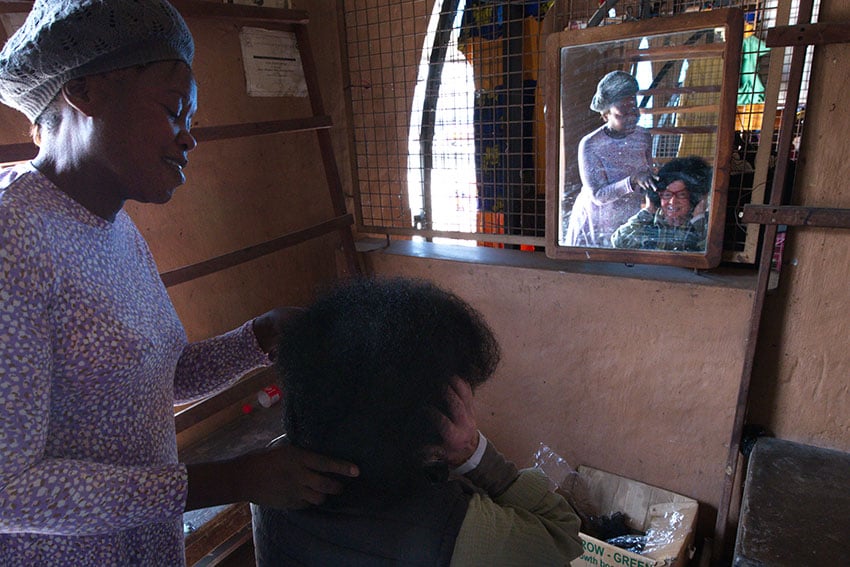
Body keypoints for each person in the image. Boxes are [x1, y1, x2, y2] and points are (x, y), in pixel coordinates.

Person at [0, 1, 357, 565]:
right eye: (173, 110)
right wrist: (223, 481)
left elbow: (149, 381)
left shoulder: (112, 225)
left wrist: (258, 338)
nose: (188, 138)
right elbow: (7, 490)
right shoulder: (12, 236)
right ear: (85, 92)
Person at [251, 277, 584, 566]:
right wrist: (474, 452)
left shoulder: (274, 474)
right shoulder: (462, 535)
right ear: (430, 426)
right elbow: (562, 532)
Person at [564, 70, 658, 247]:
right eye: (623, 111)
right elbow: (598, 195)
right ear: (606, 114)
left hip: (628, 218)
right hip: (596, 221)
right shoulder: (591, 144)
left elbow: (647, 173)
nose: (632, 116)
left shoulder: (643, 136)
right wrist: (633, 180)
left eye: (634, 108)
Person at [610, 156, 712, 251]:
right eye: (667, 195)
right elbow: (618, 243)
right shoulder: (647, 221)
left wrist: (698, 220)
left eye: (681, 195)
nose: (672, 201)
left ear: (694, 197)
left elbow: (707, 251)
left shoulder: (705, 224)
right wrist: (648, 211)